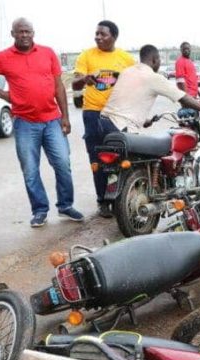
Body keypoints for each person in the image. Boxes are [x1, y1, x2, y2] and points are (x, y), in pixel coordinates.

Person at [0, 18, 83, 228]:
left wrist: (65, 116)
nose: (24, 35)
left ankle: (65, 206)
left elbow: (59, 87)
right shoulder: (3, 57)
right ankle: (40, 210)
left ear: (33, 33)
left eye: (28, 31)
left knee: (63, 164)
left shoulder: (47, 53)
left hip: (52, 120)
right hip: (25, 123)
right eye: (20, 32)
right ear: (13, 34)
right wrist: (2, 93)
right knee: (30, 169)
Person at [72, 20, 134, 218]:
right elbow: (74, 85)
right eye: (96, 34)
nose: (98, 37)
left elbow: (138, 83)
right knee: (97, 159)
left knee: (119, 157)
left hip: (117, 114)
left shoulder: (125, 58)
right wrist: (84, 79)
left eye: (103, 34)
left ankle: (117, 197)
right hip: (92, 114)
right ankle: (102, 201)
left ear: (114, 37)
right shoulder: (86, 55)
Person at [99, 44, 200, 134]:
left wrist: (143, 120)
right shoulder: (153, 77)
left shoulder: (127, 71)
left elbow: (127, 100)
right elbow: (184, 98)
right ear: (154, 60)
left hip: (103, 123)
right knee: (152, 159)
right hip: (121, 127)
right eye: (159, 60)